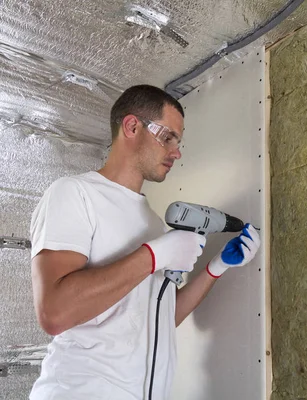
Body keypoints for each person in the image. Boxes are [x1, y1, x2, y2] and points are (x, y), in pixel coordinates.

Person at [28, 84, 261, 399]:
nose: (176, 152)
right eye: (168, 137)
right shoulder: (74, 193)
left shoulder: (151, 221)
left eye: (178, 142)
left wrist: (215, 269)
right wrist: (153, 255)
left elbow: (159, 318)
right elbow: (54, 313)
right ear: (132, 126)